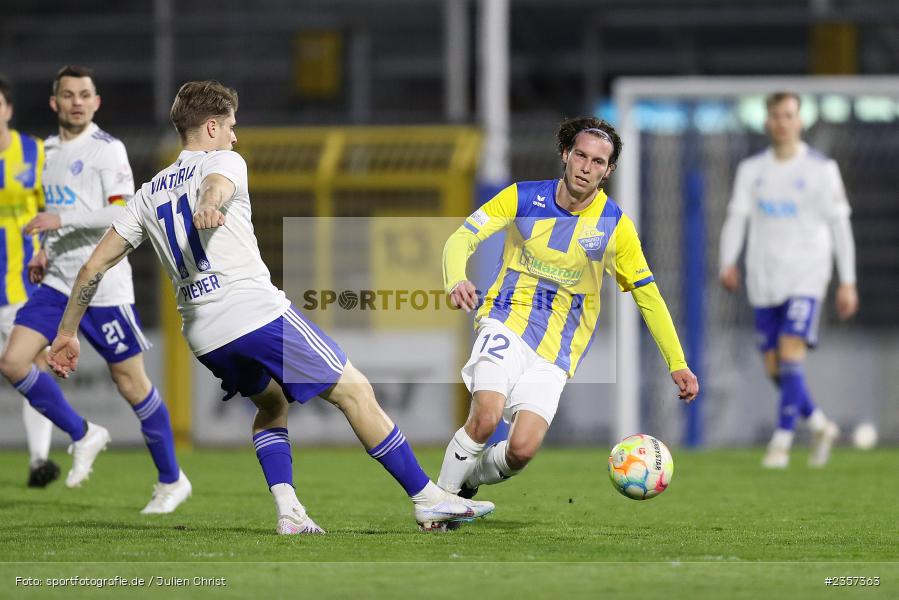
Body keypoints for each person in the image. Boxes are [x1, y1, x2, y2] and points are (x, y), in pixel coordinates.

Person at [46, 79, 495, 534]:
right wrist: (206, 204)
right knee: (354, 391)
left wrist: (66, 333)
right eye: (232, 126)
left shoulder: (147, 194)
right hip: (254, 313)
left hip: (204, 336)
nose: (236, 136)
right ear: (213, 126)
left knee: (272, 404)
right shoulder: (224, 161)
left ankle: (290, 511)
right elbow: (215, 188)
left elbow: (91, 269)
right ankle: (427, 498)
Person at [436, 116, 699, 514]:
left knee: (521, 450)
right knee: (487, 416)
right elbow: (462, 238)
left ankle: (466, 483)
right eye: (581, 155)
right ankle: (437, 502)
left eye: (597, 162)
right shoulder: (521, 197)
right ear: (566, 154)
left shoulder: (615, 227)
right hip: (505, 320)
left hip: (557, 352)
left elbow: (649, 296)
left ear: (608, 171)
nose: (586, 167)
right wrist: (456, 279)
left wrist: (677, 363)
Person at [0, 65, 190, 513]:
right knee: (12, 362)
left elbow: (121, 213)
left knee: (131, 383)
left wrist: (59, 222)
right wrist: (42, 249)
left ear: (96, 102)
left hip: (103, 286)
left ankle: (171, 479)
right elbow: (53, 209)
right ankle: (84, 433)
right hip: (56, 281)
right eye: (69, 95)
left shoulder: (108, 150)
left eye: (85, 94)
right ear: (55, 103)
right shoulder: (46, 152)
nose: (77, 102)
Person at [719, 91, 857, 469]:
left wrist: (848, 280)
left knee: (791, 348)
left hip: (807, 275)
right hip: (765, 278)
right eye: (776, 116)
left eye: (789, 115)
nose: (782, 122)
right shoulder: (752, 170)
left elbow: (839, 225)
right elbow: (737, 217)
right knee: (775, 368)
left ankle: (780, 443)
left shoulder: (821, 169)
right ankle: (819, 425)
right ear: (767, 122)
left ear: (800, 121)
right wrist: (727, 260)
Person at [0, 74, 60, 487]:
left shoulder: (35, 151)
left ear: (7, 108)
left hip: (21, 285)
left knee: (35, 366)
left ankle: (40, 459)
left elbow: (52, 210)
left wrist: (48, 251)